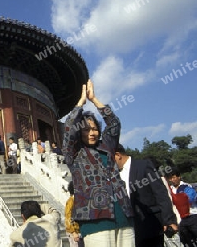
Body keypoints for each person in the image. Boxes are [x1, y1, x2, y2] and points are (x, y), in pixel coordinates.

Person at [62, 79, 134, 246]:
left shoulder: (106, 147)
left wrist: (94, 99)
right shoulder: (74, 153)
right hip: (95, 220)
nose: (92, 133)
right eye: (86, 129)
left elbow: (114, 124)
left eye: (94, 129)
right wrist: (81, 103)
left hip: (123, 215)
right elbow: (69, 129)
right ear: (80, 132)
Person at [114, 144, 178, 246]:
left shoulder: (143, 165)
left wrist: (169, 220)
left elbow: (160, 192)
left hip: (151, 225)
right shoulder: (115, 174)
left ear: (118, 155)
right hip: (130, 229)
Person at [65, 181, 84, 247]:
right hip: (74, 232)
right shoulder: (71, 201)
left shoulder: (80, 200)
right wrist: (73, 233)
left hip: (80, 231)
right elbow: (68, 217)